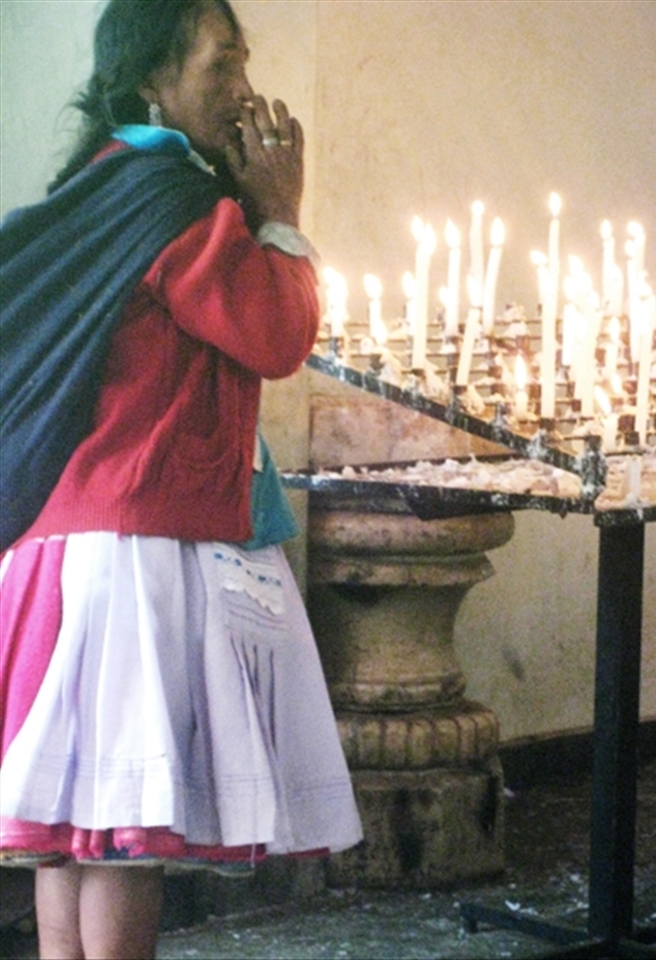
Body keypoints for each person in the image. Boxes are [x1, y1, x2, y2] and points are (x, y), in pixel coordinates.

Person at [0, 2, 362, 957]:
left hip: (59, 548)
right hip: (135, 555)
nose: (243, 89)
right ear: (151, 81)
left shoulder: (98, 185)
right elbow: (276, 336)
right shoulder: (174, 202)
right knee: (119, 844)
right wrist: (280, 213)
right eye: (222, 66)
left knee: (75, 841)